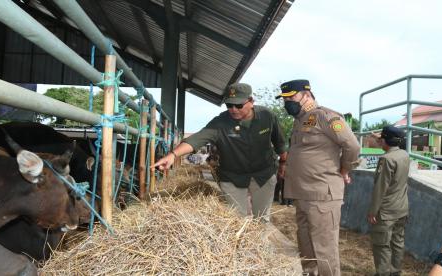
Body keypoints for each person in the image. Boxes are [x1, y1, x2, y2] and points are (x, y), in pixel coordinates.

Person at [153, 83, 287, 221]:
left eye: (239, 105)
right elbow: (197, 139)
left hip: (263, 174)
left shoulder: (267, 116)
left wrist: (283, 163)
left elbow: (280, 143)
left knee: (262, 218)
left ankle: (261, 242)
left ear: (251, 102)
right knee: (235, 220)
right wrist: (172, 155)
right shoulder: (220, 123)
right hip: (232, 177)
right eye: (229, 105)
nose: (233, 109)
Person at [276, 79, 360, 276]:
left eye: (291, 97)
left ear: (307, 94)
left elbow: (353, 147)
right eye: (285, 99)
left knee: (324, 250)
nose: (287, 103)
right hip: (302, 194)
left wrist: (344, 170)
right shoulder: (299, 121)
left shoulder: (326, 116)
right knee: (306, 247)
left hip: (322, 194)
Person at [368, 126, 410, 276]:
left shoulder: (386, 159)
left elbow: (380, 188)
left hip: (386, 212)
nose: (380, 142)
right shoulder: (404, 154)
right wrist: (380, 136)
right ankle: (395, 271)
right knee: (397, 242)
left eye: (381, 139)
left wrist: (373, 211)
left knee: (382, 245)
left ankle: (383, 273)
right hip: (402, 208)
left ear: (386, 141)